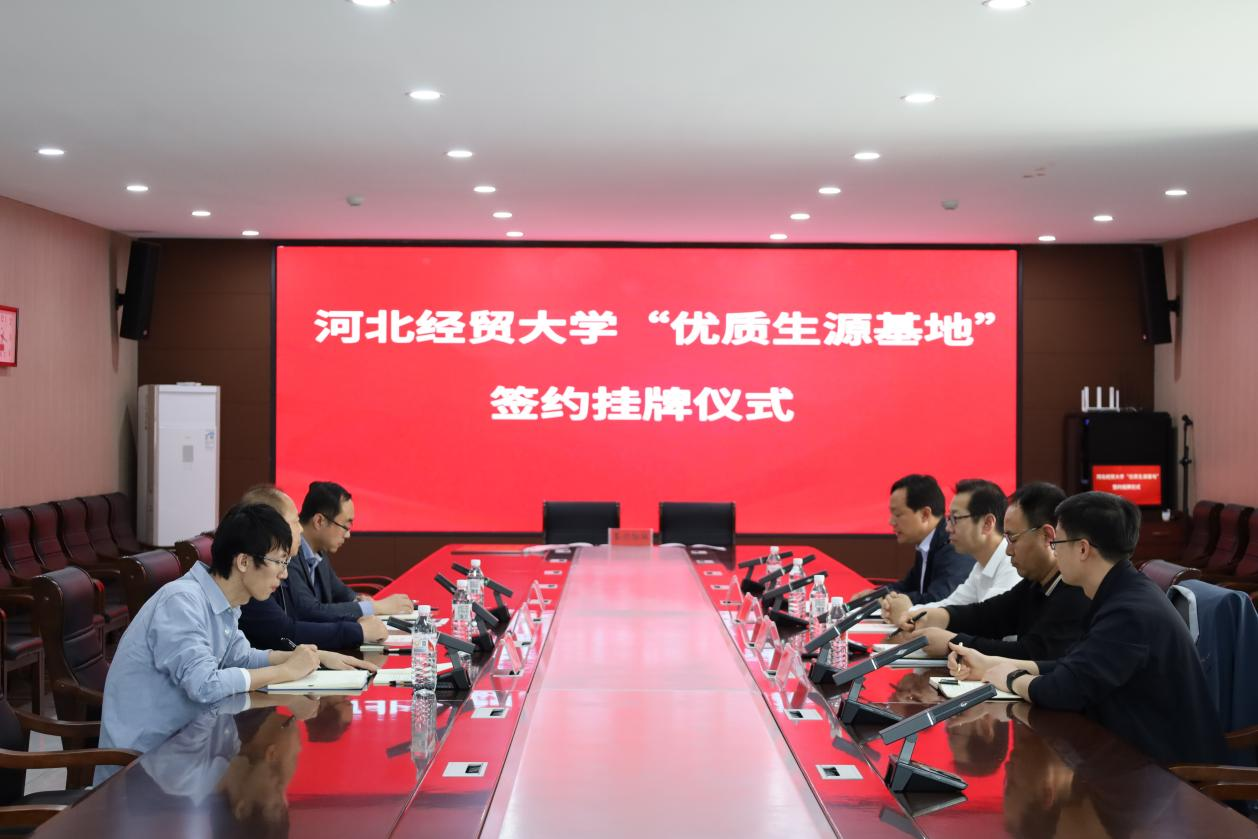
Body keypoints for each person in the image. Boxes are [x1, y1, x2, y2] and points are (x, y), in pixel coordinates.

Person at [949, 491, 1228, 767]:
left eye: (1057, 543)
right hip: (1130, 756)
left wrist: (1011, 679)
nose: (1054, 552)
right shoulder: (1120, 591)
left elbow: (1065, 690)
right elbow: (1076, 667)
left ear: (1083, 549)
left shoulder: (1129, 611)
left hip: (1166, 776)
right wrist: (992, 665)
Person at [98, 503, 377, 766]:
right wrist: (286, 671)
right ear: (243, 561)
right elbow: (204, 685)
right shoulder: (182, 602)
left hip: (190, 749)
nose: (284, 575)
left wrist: (314, 656)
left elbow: (242, 657)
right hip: (145, 766)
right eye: (280, 562)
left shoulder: (226, 604)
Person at [900, 482, 1090, 657]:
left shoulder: (1075, 588)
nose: (1008, 551)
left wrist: (953, 643)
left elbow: (1033, 653)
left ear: (1048, 536)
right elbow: (989, 615)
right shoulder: (1034, 584)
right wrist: (940, 616)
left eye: (1013, 539)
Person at [237, 484, 389, 649]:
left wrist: (358, 620)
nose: (301, 529)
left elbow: (283, 633)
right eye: (295, 522)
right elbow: (289, 629)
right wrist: (358, 630)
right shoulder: (256, 576)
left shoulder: (311, 554)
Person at [883, 479, 1020, 628]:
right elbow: (950, 605)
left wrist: (908, 612)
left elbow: (986, 624)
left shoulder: (1012, 565)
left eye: (955, 519)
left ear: (987, 523)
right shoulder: (981, 566)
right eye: (949, 519)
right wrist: (908, 612)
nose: (947, 528)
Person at [289, 481, 412, 622]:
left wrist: (362, 601)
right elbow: (310, 611)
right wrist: (375, 607)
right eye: (345, 527)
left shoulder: (318, 552)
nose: (347, 535)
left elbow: (340, 592)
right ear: (319, 521)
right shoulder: (288, 555)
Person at [853, 474, 974, 606]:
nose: (891, 521)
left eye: (898, 514)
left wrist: (886, 600)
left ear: (925, 514)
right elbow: (907, 586)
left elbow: (939, 601)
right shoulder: (927, 543)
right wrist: (874, 595)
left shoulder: (953, 546)